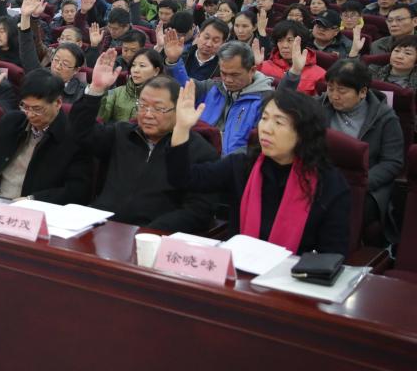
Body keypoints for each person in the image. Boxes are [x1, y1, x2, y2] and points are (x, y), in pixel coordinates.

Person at [167, 81, 351, 256]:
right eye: (264, 118)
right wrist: (181, 128)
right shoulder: (241, 166)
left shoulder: (329, 183)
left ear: (303, 133)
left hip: (295, 274)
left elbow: (332, 254)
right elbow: (183, 179)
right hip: (239, 269)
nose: (266, 129)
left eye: (279, 122)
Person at [70, 50, 219, 232]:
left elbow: (198, 212)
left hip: (153, 236)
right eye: (143, 106)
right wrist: (95, 89)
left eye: (158, 108)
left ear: (178, 110)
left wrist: (151, 232)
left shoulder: (200, 151)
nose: (148, 114)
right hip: (102, 226)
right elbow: (80, 133)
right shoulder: (122, 133)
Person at [284, 59, 403, 239]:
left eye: (342, 91)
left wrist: (361, 183)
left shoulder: (385, 118)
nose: (334, 96)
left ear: (362, 92)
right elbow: (285, 106)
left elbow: (392, 162)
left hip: (364, 186)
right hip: (320, 178)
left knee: (340, 212)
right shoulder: (319, 106)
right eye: (330, 88)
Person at [0, 57, 91, 203]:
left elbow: (77, 190)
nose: (30, 114)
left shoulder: (73, 138)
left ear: (58, 103)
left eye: (37, 109)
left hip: (33, 208)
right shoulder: (13, 122)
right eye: (25, 107)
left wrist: (33, 200)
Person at [165, 33, 273, 156]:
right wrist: (174, 61)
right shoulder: (212, 87)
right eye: (224, 73)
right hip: (198, 155)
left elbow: (257, 146)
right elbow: (184, 87)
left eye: (235, 75)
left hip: (235, 163)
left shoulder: (266, 100)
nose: (228, 80)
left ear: (252, 71)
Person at [17, 0, 85, 103]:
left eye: (65, 64)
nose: (57, 66)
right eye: (56, 60)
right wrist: (25, 17)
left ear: (76, 70)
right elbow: (27, 49)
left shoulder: (81, 93)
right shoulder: (42, 76)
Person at [98, 48, 165, 123]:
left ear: (156, 71)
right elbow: (100, 119)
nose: (135, 70)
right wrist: (100, 90)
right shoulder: (117, 93)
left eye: (142, 66)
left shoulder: (164, 97)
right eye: (133, 65)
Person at [258, 21, 326, 95]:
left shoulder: (319, 74)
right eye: (280, 40)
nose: (284, 46)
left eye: (290, 40)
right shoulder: (262, 67)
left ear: (302, 42)